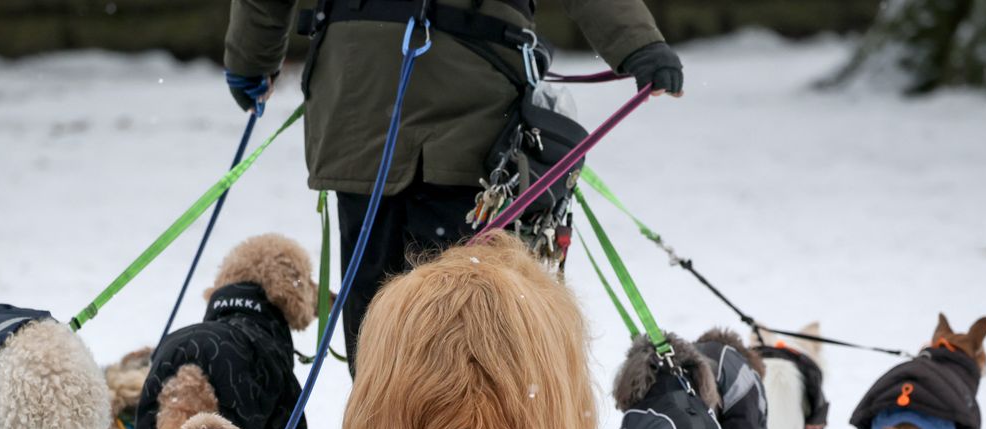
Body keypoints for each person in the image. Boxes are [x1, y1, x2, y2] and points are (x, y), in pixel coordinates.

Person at [224, 0, 684, 372]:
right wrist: (638, 44)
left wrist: (251, 57)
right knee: (470, 327)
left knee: (379, 330)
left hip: (357, 100)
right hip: (469, 106)